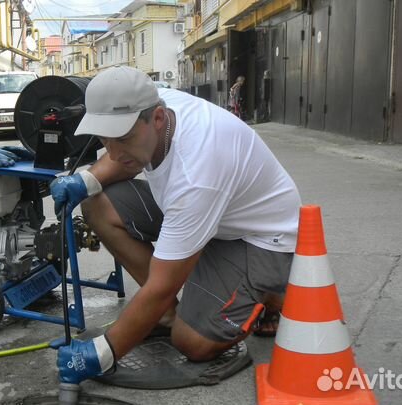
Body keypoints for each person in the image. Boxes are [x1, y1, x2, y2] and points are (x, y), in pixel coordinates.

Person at [51, 66, 301, 385]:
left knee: (193, 343)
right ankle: (166, 313)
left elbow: (162, 283)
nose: (113, 152)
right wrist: (84, 180)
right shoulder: (150, 103)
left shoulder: (196, 173)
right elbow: (119, 158)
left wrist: (102, 354)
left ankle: (273, 292)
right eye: (105, 139)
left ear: (157, 119)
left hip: (260, 237)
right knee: (97, 201)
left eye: (124, 138)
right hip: (211, 214)